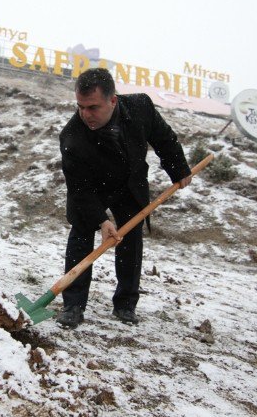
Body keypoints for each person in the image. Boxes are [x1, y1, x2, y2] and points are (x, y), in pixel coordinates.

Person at [56, 68, 192, 328]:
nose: (86, 114)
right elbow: (80, 189)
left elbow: (164, 138)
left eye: (93, 107)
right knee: (81, 234)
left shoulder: (140, 107)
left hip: (129, 181)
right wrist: (101, 221)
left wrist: (179, 169)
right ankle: (73, 305)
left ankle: (125, 304)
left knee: (131, 239)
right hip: (91, 188)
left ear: (113, 100)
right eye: (80, 107)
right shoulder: (72, 136)